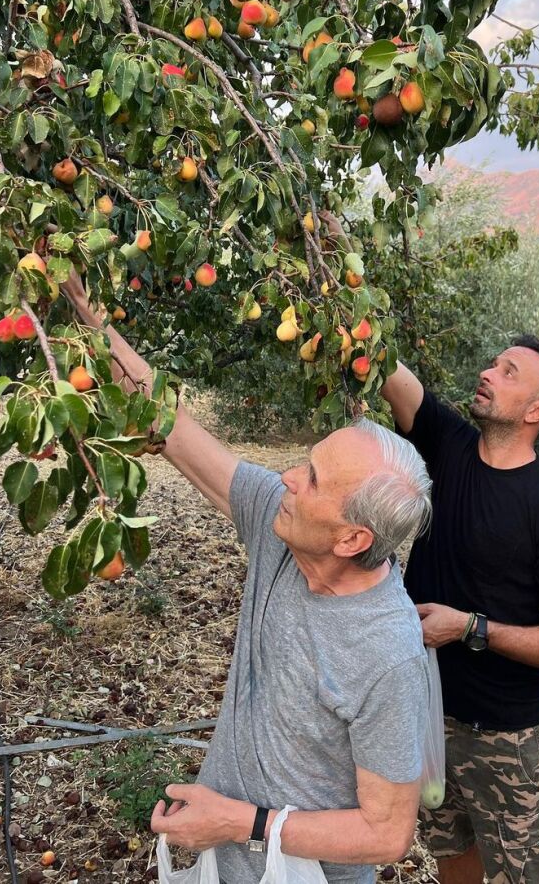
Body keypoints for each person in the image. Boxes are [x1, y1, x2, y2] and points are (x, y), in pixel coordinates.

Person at [64, 278, 433, 884]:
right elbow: (174, 428)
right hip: (227, 862)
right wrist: (88, 310)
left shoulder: (385, 654)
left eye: (312, 479)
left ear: (351, 540)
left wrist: (242, 823)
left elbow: (387, 834)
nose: (287, 477)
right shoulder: (281, 527)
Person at [381, 335, 539, 884]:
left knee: (536, 875)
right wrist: (330, 276)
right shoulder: (449, 444)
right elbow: (383, 364)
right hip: (429, 714)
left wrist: (469, 628)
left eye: (508, 372)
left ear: (536, 410)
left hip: (507, 738)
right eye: (493, 364)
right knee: (452, 854)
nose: (487, 373)